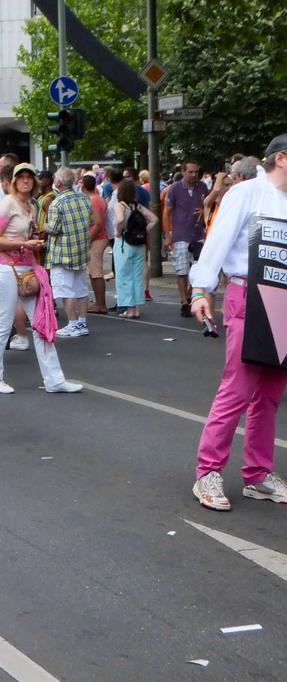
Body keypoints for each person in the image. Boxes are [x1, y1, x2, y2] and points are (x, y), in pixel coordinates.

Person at [189, 135, 287, 511]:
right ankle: (208, 472)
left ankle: (258, 473)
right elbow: (217, 241)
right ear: (280, 158)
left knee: (271, 391)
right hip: (248, 293)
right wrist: (201, 290)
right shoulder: (246, 193)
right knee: (238, 387)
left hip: (281, 299)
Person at [0, 163, 81, 394]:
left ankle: (54, 380)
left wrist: (35, 257)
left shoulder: (33, 206)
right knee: (4, 324)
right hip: (5, 268)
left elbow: (28, 237)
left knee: (41, 324)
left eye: (29, 177)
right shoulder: (6, 205)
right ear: (14, 181)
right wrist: (23, 244)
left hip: (27, 269)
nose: (25, 180)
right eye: (21, 177)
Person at [44, 167, 93, 337]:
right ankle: (82, 322)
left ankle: (72, 323)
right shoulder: (84, 198)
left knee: (65, 290)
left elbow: (53, 229)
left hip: (62, 252)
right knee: (81, 288)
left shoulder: (57, 203)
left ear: (58, 182)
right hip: (81, 250)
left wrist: (44, 227)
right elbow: (91, 220)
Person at [164, 159, 207, 316]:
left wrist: (204, 212)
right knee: (182, 271)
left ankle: (190, 296)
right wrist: (167, 236)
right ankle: (184, 301)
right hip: (180, 235)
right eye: (190, 172)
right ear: (183, 172)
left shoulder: (202, 187)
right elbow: (166, 212)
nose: (194, 175)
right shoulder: (174, 189)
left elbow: (209, 205)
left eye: (196, 172)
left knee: (197, 270)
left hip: (198, 234)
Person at [112, 179, 158, 318]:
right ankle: (137, 308)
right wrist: (145, 231)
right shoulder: (137, 206)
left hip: (124, 243)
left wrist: (118, 232)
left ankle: (129, 309)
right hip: (139, 244)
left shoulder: (120, 205)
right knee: (137, 277)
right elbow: (154, 219)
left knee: (124, 276)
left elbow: (120, 220)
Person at [82, 174, 108, 313]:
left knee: (96, 272)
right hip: (98, 238)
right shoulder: (98, 198)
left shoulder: (93, 201)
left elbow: (97, 224)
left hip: (97, 239)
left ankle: (101, 304)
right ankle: (98, 303)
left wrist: (88, 240)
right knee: (93, 271)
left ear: (83, 186)